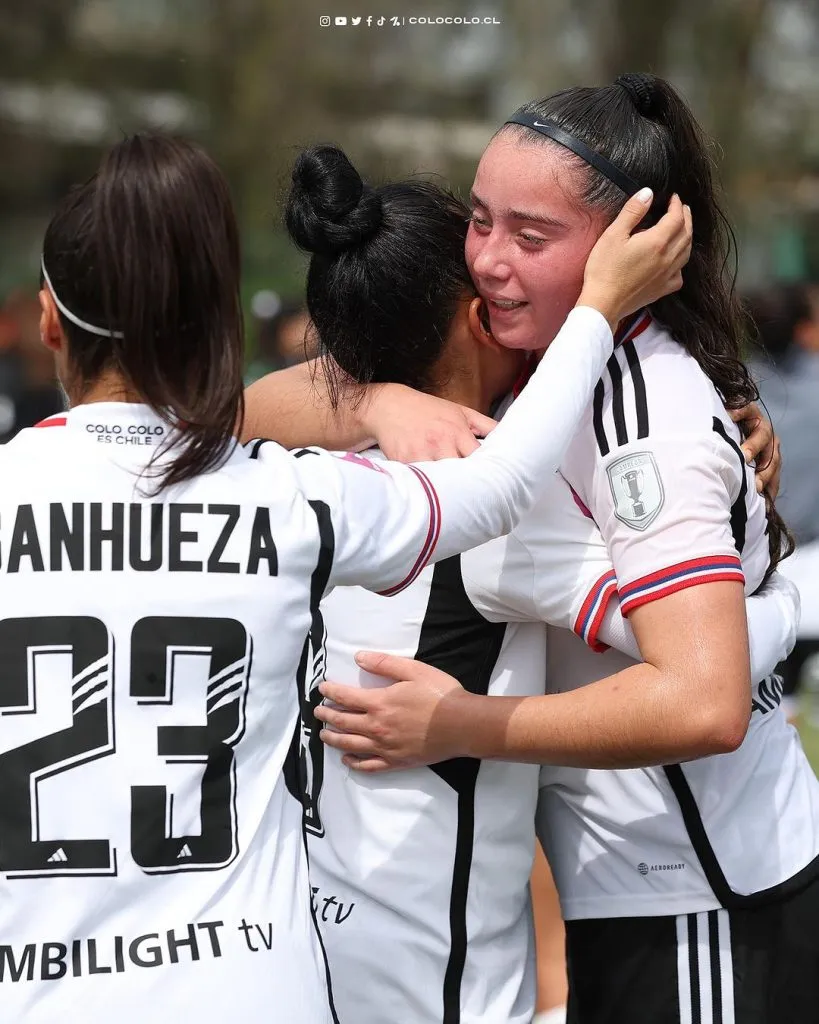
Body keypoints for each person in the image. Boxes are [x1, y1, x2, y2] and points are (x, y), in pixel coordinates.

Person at [0, 131, 687, 1023]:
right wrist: (600, 306)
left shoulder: (265, 468)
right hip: (252, 987)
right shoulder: (293, 497)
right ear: (224, 321)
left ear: (49, 320)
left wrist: (363, 396)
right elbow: (501, 486)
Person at [275, 76, 819, 1024]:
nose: (488, 261)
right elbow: (219, 413)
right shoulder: (527, 389)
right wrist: (369, 400)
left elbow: (704, 695)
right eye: (478, 223)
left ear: (629, 246)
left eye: (529, 237)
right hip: (637, 896)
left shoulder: (629, 413)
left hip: (697, 897)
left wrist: (460, 724)